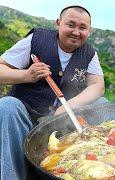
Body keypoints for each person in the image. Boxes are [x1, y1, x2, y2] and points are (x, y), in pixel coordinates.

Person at [0, 5, 105, 179]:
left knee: (102, 105)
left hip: (64, 123)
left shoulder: (89, 52)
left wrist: (67, 107)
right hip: (27, 117)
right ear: (58, 23)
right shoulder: (36, 40)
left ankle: (101, 165)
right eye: (70, 25)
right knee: (7, 106)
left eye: (82, 28)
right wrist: (26, 75)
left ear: (89, 31)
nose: (76, 32)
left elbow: (97, 86)